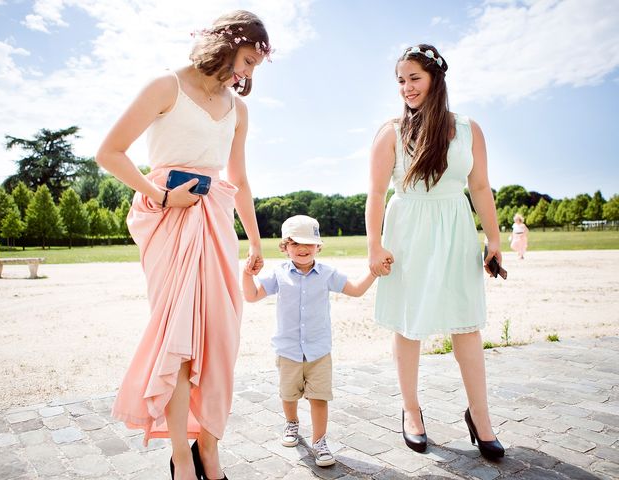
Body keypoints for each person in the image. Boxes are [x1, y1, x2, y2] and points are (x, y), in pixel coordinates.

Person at [95, 10, 271, 480]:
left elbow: (239, 179)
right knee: (181, 341)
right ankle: (180, 456)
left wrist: (254, 240)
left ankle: (208, 447)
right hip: (168, 218)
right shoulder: (165, 86)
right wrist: (161, 196)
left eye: (256, 65)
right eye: (248, 60)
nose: (249, 73)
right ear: (227, 43)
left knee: (221, 339)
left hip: (215, 219)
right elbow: (108, 152)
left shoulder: (240, 109)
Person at [365, 44, 505, 460]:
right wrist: (375, 245)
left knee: (466, 325)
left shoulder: (468, 129)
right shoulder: (390, 131)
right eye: (401, 81)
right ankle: (411, 411)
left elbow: (479, 187)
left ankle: (481, 418)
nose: (406, 88)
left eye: (414, 78)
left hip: (456, 228)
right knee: (409, 325)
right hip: (407, 229)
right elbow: (375, 192)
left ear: (436, 79)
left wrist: (493, 239)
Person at [242, 215, 377, 467]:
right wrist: (247, 274)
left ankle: (319, 441)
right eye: (294, 243)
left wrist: (373, 271)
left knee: (319, 398)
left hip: (318, 351)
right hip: (288, 350)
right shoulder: (278, 274)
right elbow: (250, 296)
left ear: (318, 246)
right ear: (284, 247)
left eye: (308, 243)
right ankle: (291, 423)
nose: (302, 249)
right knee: (288, 394)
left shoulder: (327, 274)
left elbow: (356, 290)